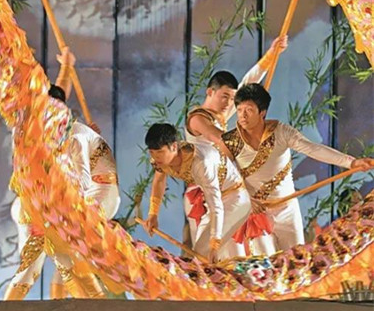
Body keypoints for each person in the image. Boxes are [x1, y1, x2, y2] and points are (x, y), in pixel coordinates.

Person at [147, 36, 288, 247]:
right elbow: (221, 140)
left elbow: (248, 82)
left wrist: (272, 54)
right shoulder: (198, 119)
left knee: (245, 247)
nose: (228, 103)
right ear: (210, 92)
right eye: (224, 97)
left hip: (227, 190)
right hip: (205, 195)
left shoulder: (219, 115)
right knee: (212, 250)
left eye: (232, 99)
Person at [4, 48, 120, 300]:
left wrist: (67, 66)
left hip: (76, 200)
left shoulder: (68, 134)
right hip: (39, 207)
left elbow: (81, 181)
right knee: (38, 265)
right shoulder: (38, 132)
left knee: (68, 257)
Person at [222, 83, 374, 254]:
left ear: (262, 112)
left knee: (296, 260)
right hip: (257, 214)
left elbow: (313, 149)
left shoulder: (281, 132)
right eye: (239, 110)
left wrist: (351, 163)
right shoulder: (230, 141)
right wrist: (245, 198)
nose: (242, 115)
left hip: (287, 210)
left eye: (249, 110)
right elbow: (223, 177)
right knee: (266, 264)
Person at [144, 123, 251, 261]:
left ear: (174, 147)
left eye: (159, 152)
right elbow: (159, 181)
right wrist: (153, 214)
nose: (155, 157)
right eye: (152, 152)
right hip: (216, 200)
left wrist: (214, 245)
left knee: (204, 251)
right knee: (200, 252)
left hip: (236, 198)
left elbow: (216, 205)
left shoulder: (201, 162)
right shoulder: (161, 161)